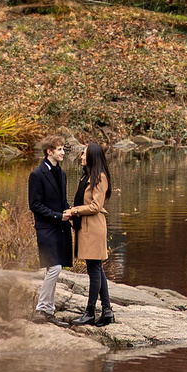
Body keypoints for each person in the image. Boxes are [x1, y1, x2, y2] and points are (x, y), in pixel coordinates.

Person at [65, 143, 114, 327]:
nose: (81, 157)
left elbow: (95, 206)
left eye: (83, 154)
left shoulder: (100, 178)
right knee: (97, 269)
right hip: (87, 227)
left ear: (92, 156)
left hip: (93, 228)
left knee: (94, 270)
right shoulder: (88, 176)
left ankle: (90, 312)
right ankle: (107, 310)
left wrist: (75, 210)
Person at [27, 135, 74, 321]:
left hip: (61, 227)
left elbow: (62, 201)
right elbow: (35, 205)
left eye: (63, 149)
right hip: (46, 228)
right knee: (54, 267)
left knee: (53, 269)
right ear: (49, 151)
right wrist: (58, 215)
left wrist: (70, 209)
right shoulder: (37, 175)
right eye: (60, 149)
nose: (63, 152)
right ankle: (42, 309)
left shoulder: (61, 174)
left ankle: (49, 311)